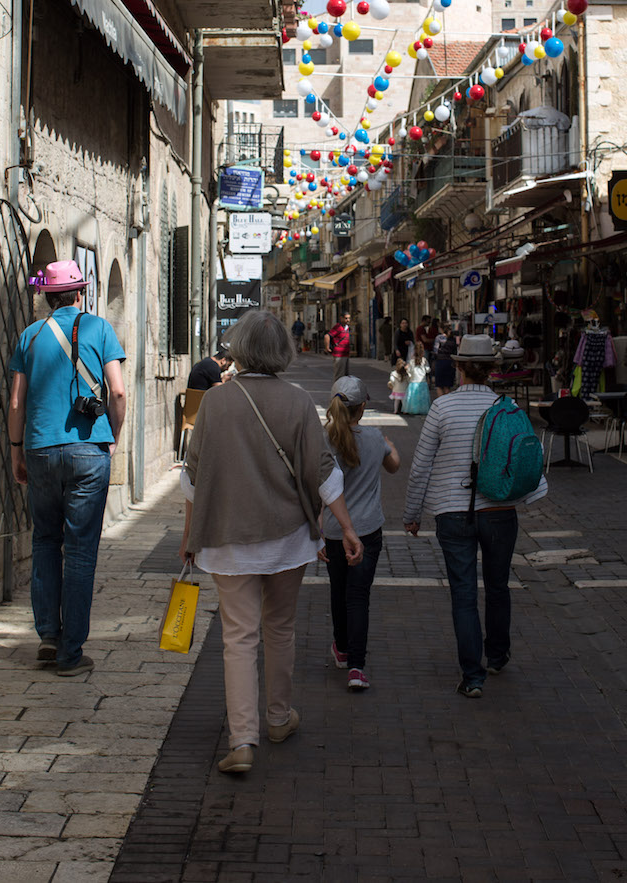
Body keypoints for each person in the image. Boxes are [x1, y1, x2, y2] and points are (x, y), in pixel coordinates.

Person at [180, 310, 363, 775]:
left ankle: (242, 740)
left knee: (238, 636)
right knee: (280, 627)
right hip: (287, 538)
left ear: (237, 349)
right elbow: (323, 470)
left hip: (226, 536)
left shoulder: (215, 402)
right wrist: (346, 526)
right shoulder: (299, 401)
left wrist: (188, 536)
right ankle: (278, 719)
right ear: (281, 350)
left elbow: (193, 478)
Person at [403, 334, 547, 698]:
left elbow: (420, 465)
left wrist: (412, 512)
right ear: (491, 370)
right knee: (498, 585)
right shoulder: (506, 406)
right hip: (499, 511)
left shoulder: (443, 408)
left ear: (460, 367)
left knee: (463, 592)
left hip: (453, 512)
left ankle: (473, 675)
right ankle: (497, 655)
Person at [8, 259, 126, 676]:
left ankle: (47, 636)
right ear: (81, 293)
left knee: (44, 541)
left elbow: (18, 402)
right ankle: (70, 653)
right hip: (87, 450)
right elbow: (118, 390)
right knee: (79, 551)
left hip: (39, 449)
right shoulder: (100, 329)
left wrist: (16, 450)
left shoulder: (29, 335)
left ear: (45, 297)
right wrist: (111, 434)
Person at [320, 376, 400, 691]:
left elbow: (318, 489)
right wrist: (389, 445)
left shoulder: (324, 440)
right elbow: (394, 465)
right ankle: (357, 666)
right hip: (366, 529)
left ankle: (341, 647)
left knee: (338, 591)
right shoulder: (374, 437)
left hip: (334, 531)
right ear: (362, 408)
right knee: (358, 596)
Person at [403, 348, 432, 415]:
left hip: (413, 381)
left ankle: (413, 409)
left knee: (412, 397)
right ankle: (422, 409)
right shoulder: (424, 360)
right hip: (422, 381)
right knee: (422, 398)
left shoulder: (412, 361)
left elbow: (409, 370)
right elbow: (428, 370)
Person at [324, 311, 351, 380]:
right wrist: (327, 348)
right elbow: (327, 336)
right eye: (346, 318)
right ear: (341, 318)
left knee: (345, 375)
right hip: (339, 355)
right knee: (339, 375)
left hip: (345, 354)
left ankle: (344, 389)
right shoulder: (338, 327)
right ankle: (337, 389)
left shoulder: (347, 327)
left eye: (349, 318)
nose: (348, 320)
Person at [432, 324, 458, 396]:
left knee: (439, 386)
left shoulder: (438, 338)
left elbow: (435, 350)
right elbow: (455, 351)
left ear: (441, 329)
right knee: (447, 386)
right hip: (450, 362)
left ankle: (440, 405)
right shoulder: (453, 339)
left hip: (440, 362)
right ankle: (447, 404)